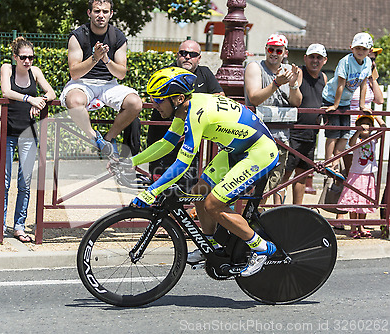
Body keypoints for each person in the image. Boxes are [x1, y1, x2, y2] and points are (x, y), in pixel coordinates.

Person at [128, 67, 279, 277]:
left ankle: (261, 247)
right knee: (200, 192)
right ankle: (210, 246)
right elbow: (166, 144)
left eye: (158, 100)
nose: (155, 105)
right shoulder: (185, 107)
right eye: (153, 99)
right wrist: (131, 161)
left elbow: (182, 163)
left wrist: (151, 192)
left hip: (258, 151)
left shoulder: (197, 114)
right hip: (236, 150)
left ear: (178, 98)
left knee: (213, 204)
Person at [59, 0, 142, 159]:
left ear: (111, 14)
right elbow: (74, 73)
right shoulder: (77, 35)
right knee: (74, 101)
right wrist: (94, 58)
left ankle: (108, 139)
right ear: (89, 13)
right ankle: (95, 139)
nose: (101, 15)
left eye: (105, 12)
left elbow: (121, 74)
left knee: (135, 103)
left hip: (109, 85)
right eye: (97, 11)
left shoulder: (118, 36)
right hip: (82, 83)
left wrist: (105, 60)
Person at [0, 37, 56, 243]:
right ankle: (0, 225)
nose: (28, 61)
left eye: (31, 57)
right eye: (23, 57)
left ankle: (19, 226)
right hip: (7, 131)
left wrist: (41, 100)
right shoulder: (7, 68)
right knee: (3, 182)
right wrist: (29, 98)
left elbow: (51, 92)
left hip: (28, 133)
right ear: (15, 57)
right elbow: (6, 91)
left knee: (25, 182)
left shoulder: (36, 72)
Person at [147, 39, 225, 191]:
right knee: (160, 187)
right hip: (164, 136)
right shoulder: (166, 72)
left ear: (199, 58)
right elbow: (153, 97)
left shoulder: (205, 73)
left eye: (192, 54)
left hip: (190, 139)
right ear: (177, 56)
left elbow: (219, 96)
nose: (187, 57)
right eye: (183, 53)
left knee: (186, 188)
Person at [244, 34, 302, 204]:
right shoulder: (255, 67)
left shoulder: (289, 71)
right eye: (271, 49)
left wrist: (292, 84)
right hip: (256, 137)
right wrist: (276, 83)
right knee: (254, 185)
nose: (274, 53)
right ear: (265, 50)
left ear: (285, 52)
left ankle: (259, 220)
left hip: (281, 138)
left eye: (278, 50)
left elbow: (296, 102)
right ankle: (248, 222)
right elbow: (254, 98)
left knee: (274, 185)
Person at [336, 46, 385, 227]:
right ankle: (342, 213)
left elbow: (378, 100)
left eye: (373, 59)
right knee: (348, 173)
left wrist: (373, 77)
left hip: (365, 125)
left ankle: (355, 219)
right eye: (369, 57)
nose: (370, 60)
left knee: (358, 176)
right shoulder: (352, 74)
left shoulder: (368, 77)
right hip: (350, 125)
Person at [279, 43, 327, 205]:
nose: (315, 60)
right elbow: (294, 99)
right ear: (305, 58)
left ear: (325, 60)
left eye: (319, 57)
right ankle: (274, 210)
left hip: (311, 133)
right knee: (283, 175)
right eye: (312, 57)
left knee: (302, 175)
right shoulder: (299, 73)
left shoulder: (324, 78)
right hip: (293, 132)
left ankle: (297, 210)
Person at [322, 32, 373, 176]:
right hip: (332, 98)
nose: (360, 51)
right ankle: (328, 162)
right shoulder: (345, 61)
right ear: (351, 48)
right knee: (333, 133)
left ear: (369, 51)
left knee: (344, 134)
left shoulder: (367, 63)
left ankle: (335, 163)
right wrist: (335, 105)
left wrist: (362, 105)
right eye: (358, 48)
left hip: (346, 100)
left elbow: (364, 84)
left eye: (364, 49)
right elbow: (341, 84)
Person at [337, 115, 379, 238]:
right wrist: (358, 131)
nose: (366, 126)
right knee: (354, 202)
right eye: (363, 123)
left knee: (364, 202)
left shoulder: (373, 139)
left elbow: (383, 128)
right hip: (356, 173)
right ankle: (353, 226)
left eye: (368, 124)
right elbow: (351, 144)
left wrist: (375, 117)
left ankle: (361, 225)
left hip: (368, 175)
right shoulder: (356, 140)